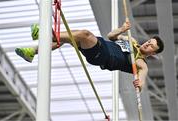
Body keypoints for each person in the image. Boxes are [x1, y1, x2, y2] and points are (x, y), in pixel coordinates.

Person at [15, 20, 164, 91]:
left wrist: (140, 84)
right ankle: (32, 52)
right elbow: (111, 36)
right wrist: (122, 29)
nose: (147, 44)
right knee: (69, 39)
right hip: (101, 44)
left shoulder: (141, 63)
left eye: (151, 46)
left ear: (153, 53)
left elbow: (142, 79)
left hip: (102, 56)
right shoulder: (133, 41)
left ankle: (44, 33)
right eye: (149, 41)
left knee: (84, 34)